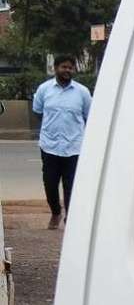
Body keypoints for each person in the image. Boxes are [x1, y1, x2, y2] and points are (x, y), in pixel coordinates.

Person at [33, 55, 92, 230]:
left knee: (71, 186)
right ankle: (56, 212)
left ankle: (69, 219)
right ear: (55, 68)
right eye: (63, 67)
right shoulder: (44, 89)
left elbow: (88, 116)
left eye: (70, 68)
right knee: (50, 184)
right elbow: (38, 112)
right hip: (49, 146)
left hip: (74, 147)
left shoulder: (82, 92)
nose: (67, 70)